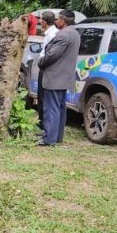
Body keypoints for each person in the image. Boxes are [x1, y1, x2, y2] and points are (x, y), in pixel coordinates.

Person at [37, 10, 81, 146]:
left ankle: (49, 138)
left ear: (63, 20)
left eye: (58, 19)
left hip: (55, 77)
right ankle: (57, 137)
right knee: (60, 108)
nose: (56, 21)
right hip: (64, 77)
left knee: (51, 108)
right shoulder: (75, 33)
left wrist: (41, 61)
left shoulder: (63, 35)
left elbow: (52, 55)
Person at [37, 10, 57, 125]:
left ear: (44, 22)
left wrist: (41, 62)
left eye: (41, 20)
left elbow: (49, 54)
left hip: (46, 68)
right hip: (46, 67)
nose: (40, 22)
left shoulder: (51, 35)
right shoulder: (51, 32)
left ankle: (43, 123)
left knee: (43, 97)